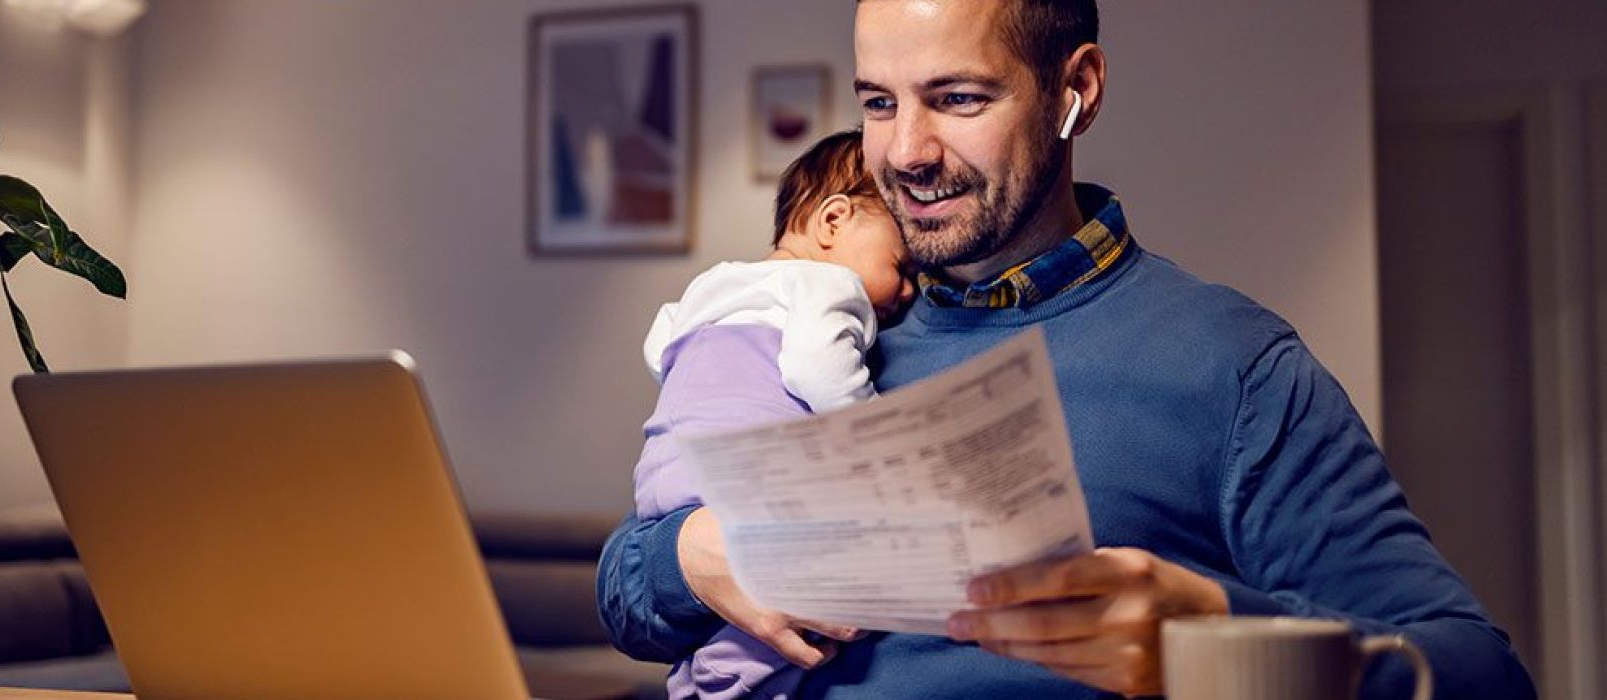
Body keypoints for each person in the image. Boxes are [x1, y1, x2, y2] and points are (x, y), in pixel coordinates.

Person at [596, 1, 1539, 698]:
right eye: (879, 103)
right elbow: (626, 592)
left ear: (1074, 92)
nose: (906, 152)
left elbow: (1476, 672)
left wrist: (1214, 635)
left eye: (957, 98)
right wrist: (687, 559)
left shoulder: (1233, 368)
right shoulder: (832, 323)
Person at [633, 130, 913, 699]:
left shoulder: (713, 283)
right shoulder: (830, 286)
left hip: (666, 473)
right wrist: (879, 429)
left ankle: (701, 674)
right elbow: (816, 368)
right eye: (902, 265)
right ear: (833, 222)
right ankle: (725, 685)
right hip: (749, 471)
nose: (909, 291)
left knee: (732, 606)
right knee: (831, 585)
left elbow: (659, 345)